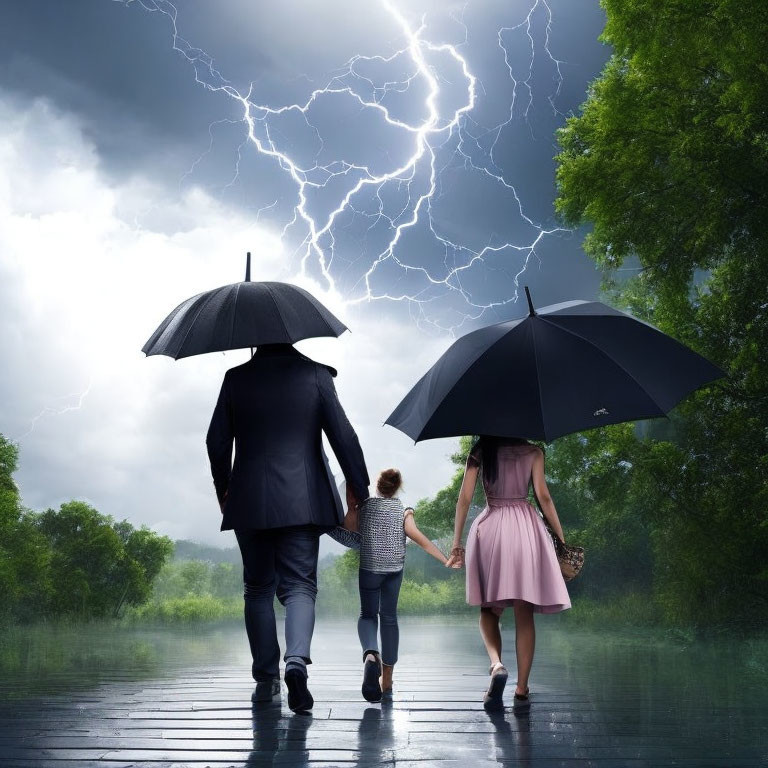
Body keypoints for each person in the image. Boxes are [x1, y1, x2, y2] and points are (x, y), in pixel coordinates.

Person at [206, 343, 369, 713]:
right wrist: (358, 493)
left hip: (248, 501)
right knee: (300, 586)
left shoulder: (235, 379)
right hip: (304, 500)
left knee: (258, 588)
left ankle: (266, 680)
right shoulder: (317, 375)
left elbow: (216, 441)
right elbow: (345, 438)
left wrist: (224, 488)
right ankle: (296, 663)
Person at [445, 436, 570, 712]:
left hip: (491, 528)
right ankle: (522, 689)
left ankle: (496, 664)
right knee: (524, 612)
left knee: (489, 610)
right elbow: (544, 497)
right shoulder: (534, 452)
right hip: (526, 527)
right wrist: (561, 539)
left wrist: (456, 542)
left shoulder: (481, 450)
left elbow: (464, 498)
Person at [355, 468, 448, 703]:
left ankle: (369, 655)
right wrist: (445, 559)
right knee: (389, 618)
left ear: (378, 485)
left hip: (369, 567)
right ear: (398, 487)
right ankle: (386, 680)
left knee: (367, 615)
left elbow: (349, 530)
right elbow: (418, 537)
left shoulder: (364, 507)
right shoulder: (402, 510)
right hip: (393, 570)